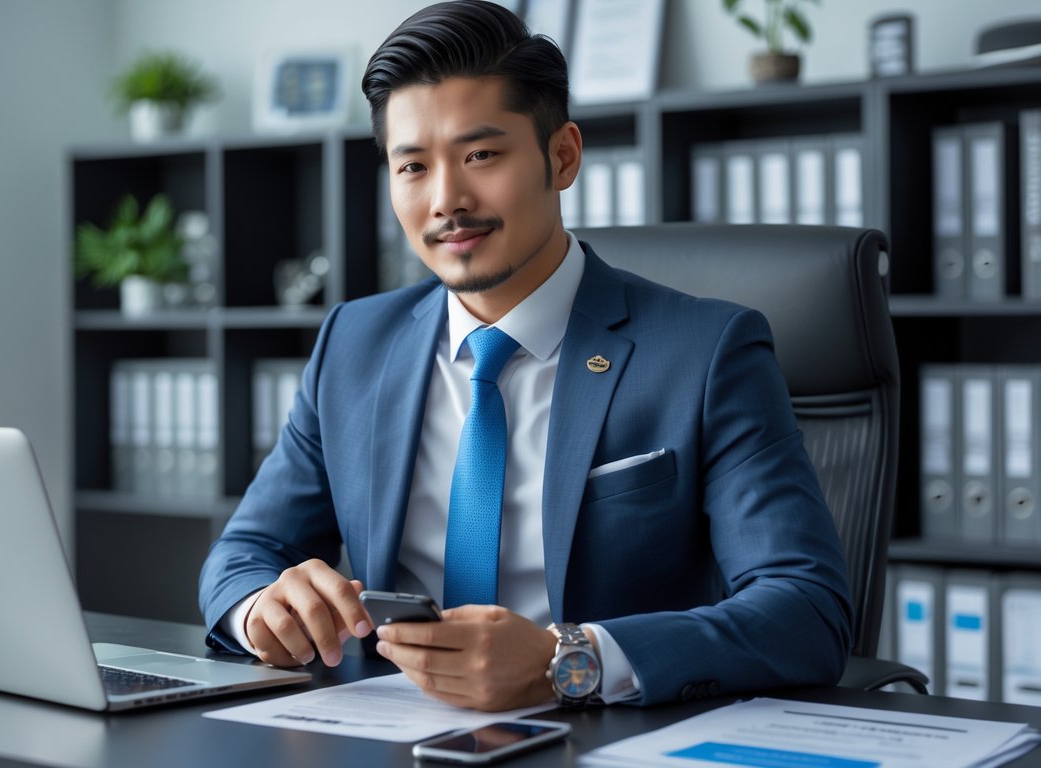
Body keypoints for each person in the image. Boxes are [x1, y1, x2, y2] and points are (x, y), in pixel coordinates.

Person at [199, 0, 852, 711]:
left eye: (480, 155)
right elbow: (240, 558)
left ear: (562, 156)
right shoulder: (353, 345)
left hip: (607, 738)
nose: (446, 199)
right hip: (389, 730)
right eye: (412, 166)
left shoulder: (706, 352)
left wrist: (567, 661)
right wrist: (263, 608)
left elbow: (805, 611)